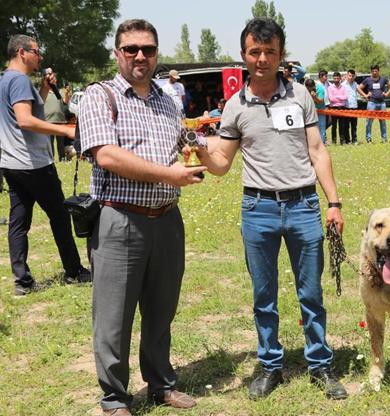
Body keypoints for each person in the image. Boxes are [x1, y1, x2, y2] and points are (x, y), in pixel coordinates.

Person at [194, 17, 348, 401]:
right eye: (255, 52)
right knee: (264, 296)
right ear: (244, 55)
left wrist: (333, 202)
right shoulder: (234, 105)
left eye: (270, 52)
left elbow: (317, 151)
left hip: (304, 205)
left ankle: (320, 364)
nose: (262, 59)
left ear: (281, 55)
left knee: (310, 293)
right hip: (257, 208)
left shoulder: (300, 96)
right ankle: (270, 365)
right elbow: (222, 164)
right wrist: (201, 152)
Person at [80, 19, 205, 414]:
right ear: (117, 53)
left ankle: (160, 383)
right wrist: (171, 175)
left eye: (148, 50)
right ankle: (115, 397)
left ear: (156, 55)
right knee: (113, 317)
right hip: (120, 219)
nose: (140, 56)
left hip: (167, 219)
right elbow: (106, 155)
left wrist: (222, 143)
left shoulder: (168, 100)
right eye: (131, 48)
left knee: (161, 308)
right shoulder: (99, 97)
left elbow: (189, 142)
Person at [0, 34, 91, 296]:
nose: (40, 56)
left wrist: (45, 90)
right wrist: (66, 131)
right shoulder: (20, 80)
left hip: (11, 163)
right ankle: (74, 271)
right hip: (33, 164)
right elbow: (25, 121)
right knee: (59, 217)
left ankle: (22, 282)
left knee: (19, 221)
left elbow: (27, 113)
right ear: (22, 52)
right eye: (36, 51)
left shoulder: (3, 80)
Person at [358, 65, 390, 143]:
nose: (374, 72)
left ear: (378, 71)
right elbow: (358, 88)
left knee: (383, 121)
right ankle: (368, 139)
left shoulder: (383, 79)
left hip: (382, 104)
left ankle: (384, 139)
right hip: (371, 103)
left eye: (376, 71)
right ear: (371, 71)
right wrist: (365, 95)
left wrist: (387, 94)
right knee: (369, 122)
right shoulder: (368, 80)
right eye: (373, 71)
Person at [327, 71, 350, 145]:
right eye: (335, 78)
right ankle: (334, 141)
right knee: (334, 126)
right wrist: (340, 98)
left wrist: (336, 97)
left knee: (342, 125)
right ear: (333, 79)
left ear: (340, 78)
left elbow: (346, 97)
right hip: (333, 108)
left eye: (337, 78)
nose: (336, 80)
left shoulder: (344, 87)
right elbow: (331, 99)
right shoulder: (330, 87)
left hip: (342, 108)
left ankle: (342, 141)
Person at [344, 69, 359, 143]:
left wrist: (366, 96)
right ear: (347, 75)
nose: (351, 77)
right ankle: (347, 140)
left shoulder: (356, 84)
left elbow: (360, 91)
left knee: (354, 125)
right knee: (346, 125)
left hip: (354, 107)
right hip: (346, 107)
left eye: (352, 76)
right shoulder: (343, 84)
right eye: (350, 75)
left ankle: (354, 140)